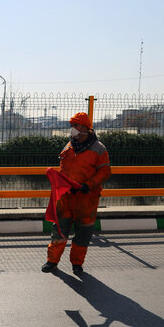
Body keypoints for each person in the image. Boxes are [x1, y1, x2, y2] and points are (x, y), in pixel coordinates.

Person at [42, 112, 111, 275]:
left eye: (76, 126)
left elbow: (105, 172)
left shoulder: (99, 149)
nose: (73, 129)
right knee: (59, 230)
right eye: (72, 126)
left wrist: (88, 185)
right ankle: (52, 261)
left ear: (85, 128)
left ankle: (77, 263)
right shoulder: (69, 146)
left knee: (83, 232)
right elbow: (64, 169)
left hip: (87, 198)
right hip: (66, 197)